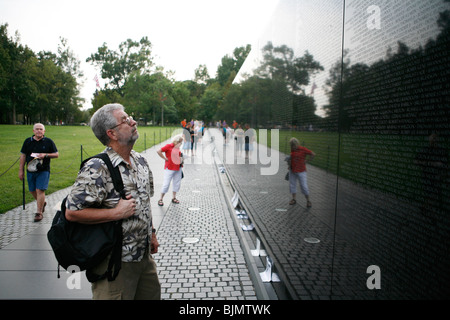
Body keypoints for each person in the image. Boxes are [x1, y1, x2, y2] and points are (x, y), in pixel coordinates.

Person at [65, 103, 160, 300]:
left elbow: (145, 203)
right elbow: (72, 212)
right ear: (112, 134)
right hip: (115, 265)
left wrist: (151, 234)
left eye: (129, 117)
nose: (133, 121)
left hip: (144, 259)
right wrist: (115, 213)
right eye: (125, 120)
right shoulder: (97, 167)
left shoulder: (140, 161)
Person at [19, 123, 59, 222]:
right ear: (33, 131)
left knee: (40, 190)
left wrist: (45, 155)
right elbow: (23, 156)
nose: (39, 131)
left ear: (44, 131)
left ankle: (39, 212)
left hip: (43, 170)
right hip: (30, 170)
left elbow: (56, 154)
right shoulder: (28, 141)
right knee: (32, 190)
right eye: (37, 129)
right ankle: (42, 203)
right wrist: (21, 170)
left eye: (41, 129)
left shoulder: (48, 141)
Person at [156, 134, 184, 206]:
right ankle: (161, 199)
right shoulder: (169, 146)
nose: (181, 144)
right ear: (176, 141)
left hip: (178, 168)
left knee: (177, 183)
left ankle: (174, 198)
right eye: (180, 142)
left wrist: (181, 160)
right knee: (166, 184)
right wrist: (165, 158)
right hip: (170, 168)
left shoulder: (177, 148)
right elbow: (159, 151)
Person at [288, 137, 315, 207]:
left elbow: (313, 154)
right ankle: (294, 199)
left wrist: (307, 161)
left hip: (301, 171)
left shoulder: (303, 149)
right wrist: (289, 162)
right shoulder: (292, 150)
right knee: (292, 185)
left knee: (304, 186)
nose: (292, 147)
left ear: (296, 144)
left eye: (293, 145)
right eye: (291, 146)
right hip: (293, 170)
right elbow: (292, 157)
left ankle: (308, 201)